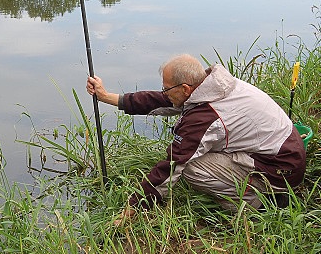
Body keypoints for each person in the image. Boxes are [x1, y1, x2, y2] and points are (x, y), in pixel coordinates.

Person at [86, 54, 306, 222]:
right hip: (284, 151)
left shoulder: (205, 115)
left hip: (279, 169)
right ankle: (254, 189)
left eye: (166, 88)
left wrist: (133, 208)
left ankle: (258, 205)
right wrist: (107, 97)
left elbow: (172, 165)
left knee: (190, 166)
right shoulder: (212, 86)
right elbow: (160, 101)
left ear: (185, 88)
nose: (164, 93)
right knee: (196, 152)